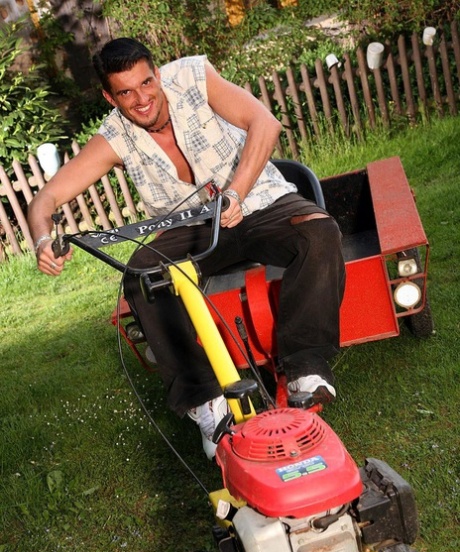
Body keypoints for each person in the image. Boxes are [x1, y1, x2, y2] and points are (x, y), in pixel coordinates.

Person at [28, 37, 345, 459]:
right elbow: (43, 201)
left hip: (256, 199)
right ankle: (207, 405)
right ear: (109, 96)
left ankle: (305, 368)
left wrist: (235, 192)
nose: (141, 99)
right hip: (193, 227)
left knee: (318, 231)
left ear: (157, 74)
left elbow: (265, 123)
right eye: (126, 92)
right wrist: (43, 240)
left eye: (146, 83)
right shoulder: (113, 139)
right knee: (142, 276)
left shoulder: (194, 76)